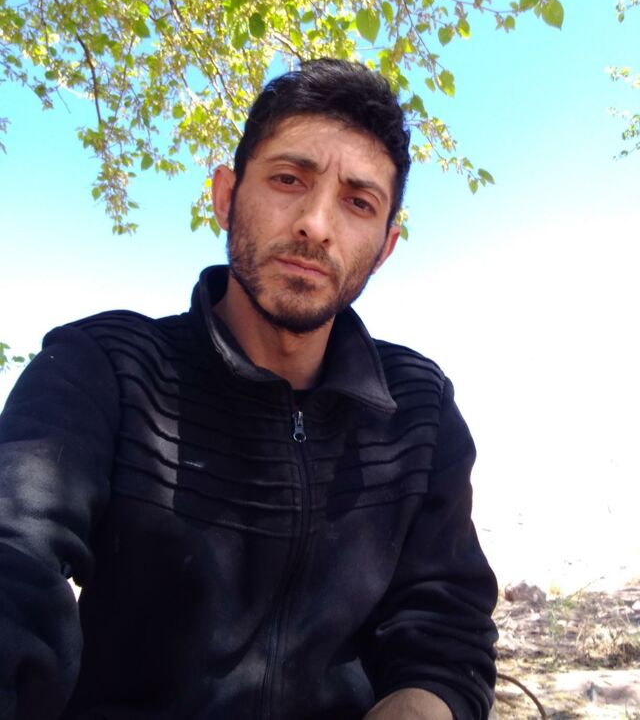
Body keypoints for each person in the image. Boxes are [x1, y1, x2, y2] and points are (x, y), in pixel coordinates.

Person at [0, 59, 498, 720]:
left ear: (385, 248)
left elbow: (445, 624)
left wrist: (422, 704)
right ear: (226, 196)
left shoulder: (418, 408)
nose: (316, 224)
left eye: (359, 202)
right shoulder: (104, 368)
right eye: (289, 179)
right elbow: (15, 560)